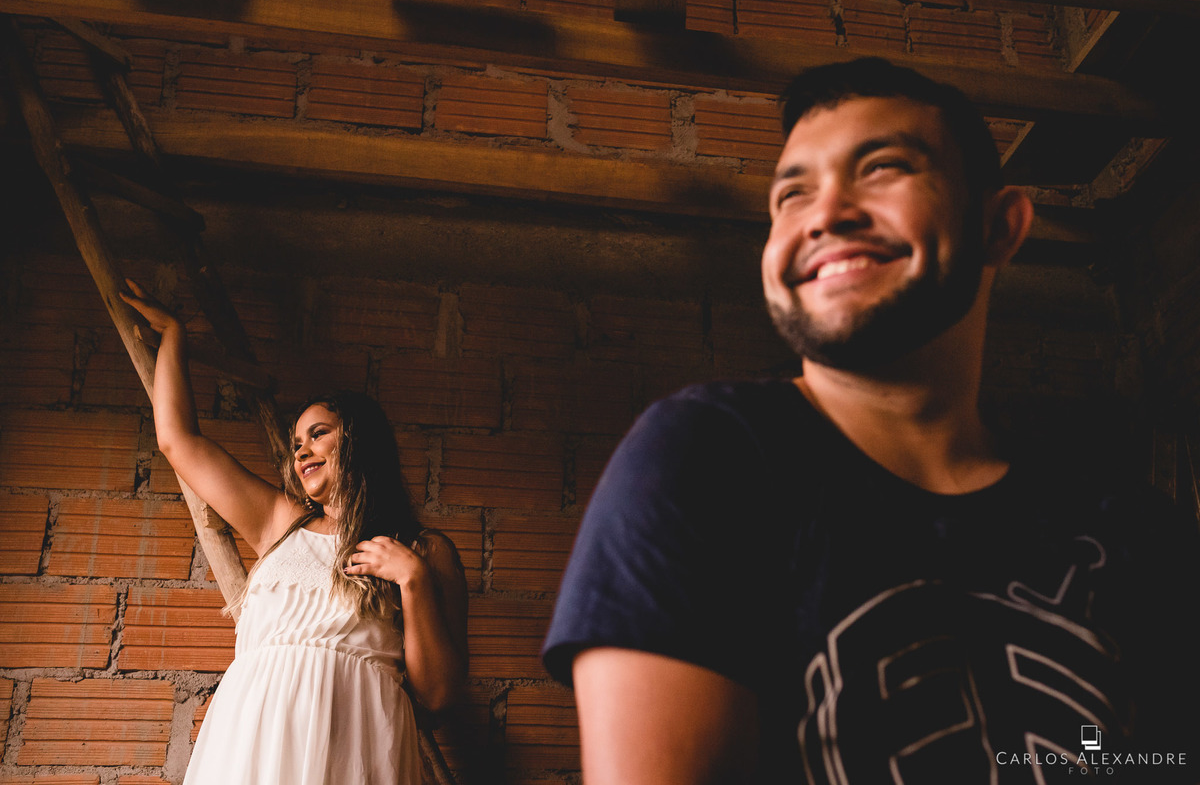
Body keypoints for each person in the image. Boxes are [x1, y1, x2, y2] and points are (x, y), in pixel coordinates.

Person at [541, 58, 1199, 784]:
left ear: (1000, 225)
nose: (824, 214)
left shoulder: (1133, 528)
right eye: (792, 194)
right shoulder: (705, 457)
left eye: (882, 168)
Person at [121, 280, 468, 785]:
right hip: (252, 743)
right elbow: (178, 442)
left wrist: (411, 579)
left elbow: (437, 696)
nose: (300, 451)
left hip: (357, 749)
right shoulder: (281, 522)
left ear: (359, 441)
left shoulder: (426, 551)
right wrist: (176, 335)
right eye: (296, 441)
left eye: (318, 434)